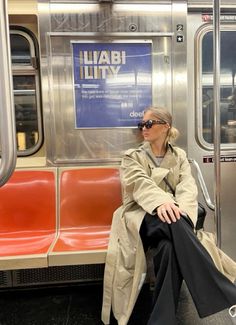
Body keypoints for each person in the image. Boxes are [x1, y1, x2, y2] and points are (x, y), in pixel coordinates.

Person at [101, 106, 236, 325]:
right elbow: (139, 184)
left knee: (168, 248)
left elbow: (187, 186)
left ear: (165, 127)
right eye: (141, 125)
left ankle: (161, 320)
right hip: (141, 215)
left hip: (174, 216)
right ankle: (226, 292)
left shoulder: (179, 155)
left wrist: (178, 208)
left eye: (149, 124)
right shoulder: (132, 157)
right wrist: (162, 201)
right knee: (172, 222)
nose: (143, 129)